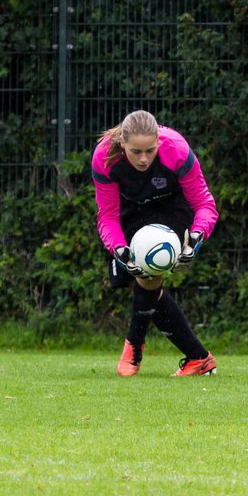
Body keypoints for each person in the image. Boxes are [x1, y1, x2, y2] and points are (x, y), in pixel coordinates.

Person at [91, 109, 219, 377]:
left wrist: (196, 237)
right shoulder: (104, 157)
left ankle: (134, 345)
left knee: (150, 275)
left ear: (159, 141)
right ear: (122, 143)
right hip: (131, 209)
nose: (144, 158)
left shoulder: (178, 150)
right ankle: (198, 358)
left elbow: (205, 205)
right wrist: (119, 250)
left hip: (172, 207)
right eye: (135, 151)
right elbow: (107, 215)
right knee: (132, 279)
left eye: (150, 150)